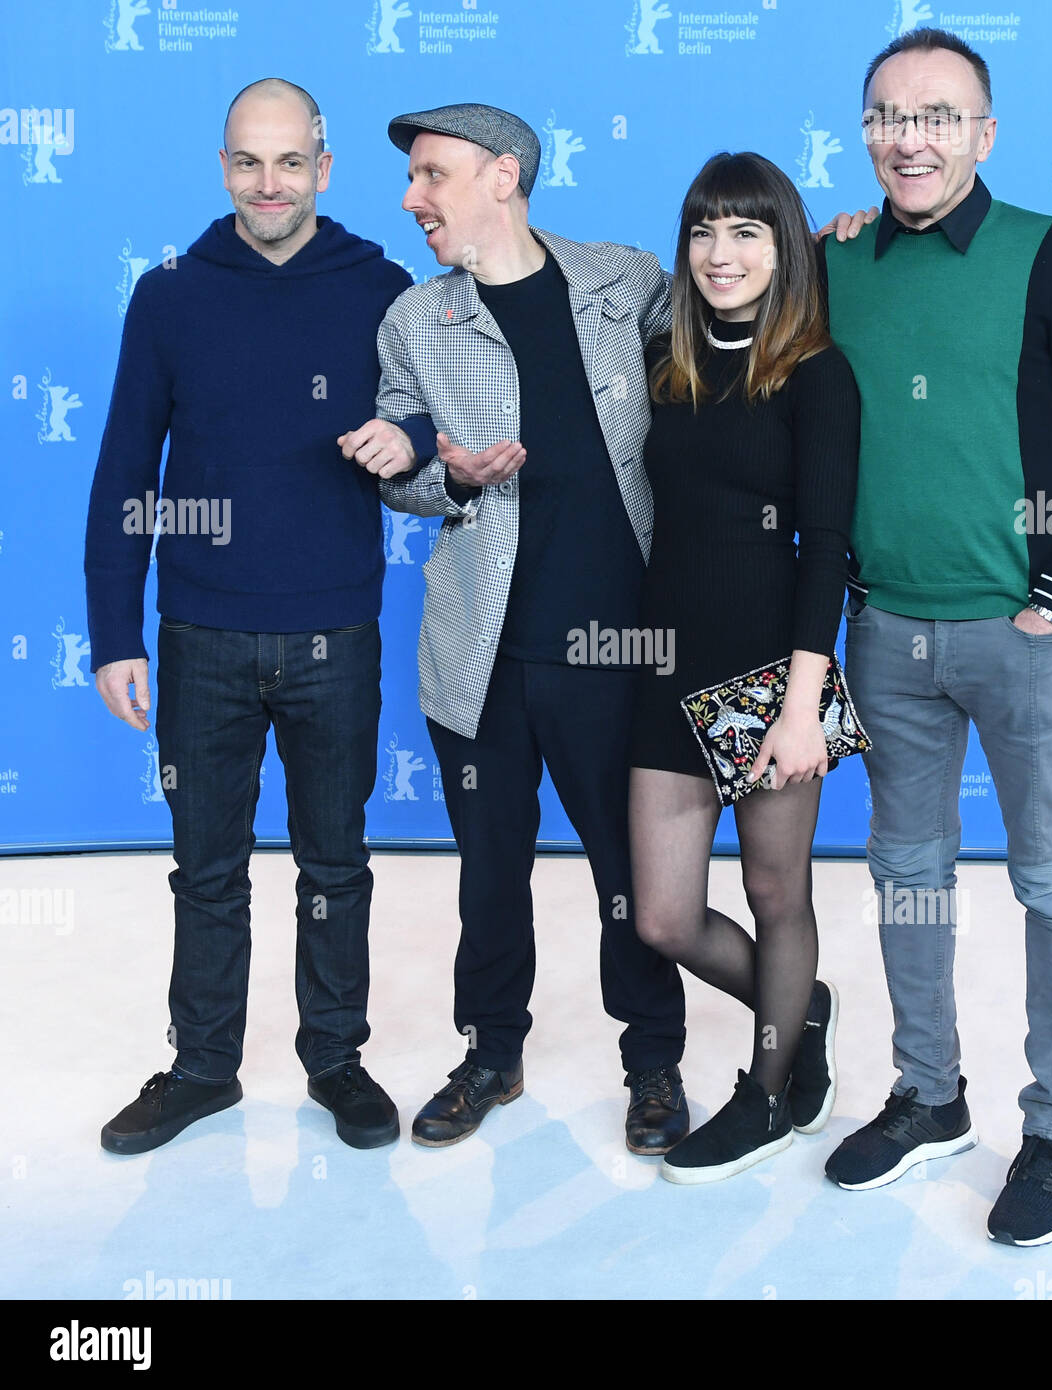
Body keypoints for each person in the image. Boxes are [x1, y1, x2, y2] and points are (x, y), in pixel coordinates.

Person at [818, 28, 1052, 1244]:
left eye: (937, 117)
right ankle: (927, 1093)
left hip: (1017, 639)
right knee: (907, 879)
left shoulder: (1048, 255)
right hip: (884, 636)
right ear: (864, 135)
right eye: (889, 117)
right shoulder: (831, 259)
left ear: (982, 133)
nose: (910, 138)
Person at [340, 103, 689, 1153]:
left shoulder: (622, 281)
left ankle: (654, 1061)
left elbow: (731, 330)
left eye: (432, 176)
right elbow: (402, 470)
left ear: (504, 176)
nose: (412, 199)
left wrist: (822, 249)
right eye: (410, 179)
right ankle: (491, 1051)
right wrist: (437, 470)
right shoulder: (414, 319)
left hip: (616, 649)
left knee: (628, 875)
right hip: (480, 648)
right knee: (488, 868)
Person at [87, 79, 414, 1154]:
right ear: (222, 167)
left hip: (336, 632)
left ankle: (336, 1057)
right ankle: (201, 1066)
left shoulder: (383, 286)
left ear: (324, 166)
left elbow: (430, 413)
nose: (266, 185)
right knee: (206, 869)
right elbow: (126, 468)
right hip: (199, 637)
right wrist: (115, 634)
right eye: (246, 163)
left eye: (288, 163)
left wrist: (404, 432)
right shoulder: (170, 294)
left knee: (335, 862)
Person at [623, 153, 859, 1184]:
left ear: (782, 249)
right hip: (666, 672)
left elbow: (825, 546)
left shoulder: (816, 373)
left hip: (772, 681)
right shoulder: (661, 364)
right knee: (663, 915)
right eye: (703, 232)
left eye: (747, 233)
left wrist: (801, 704)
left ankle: (764, 1092)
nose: (720, 255)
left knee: (777, 896)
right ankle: (796, 1004)